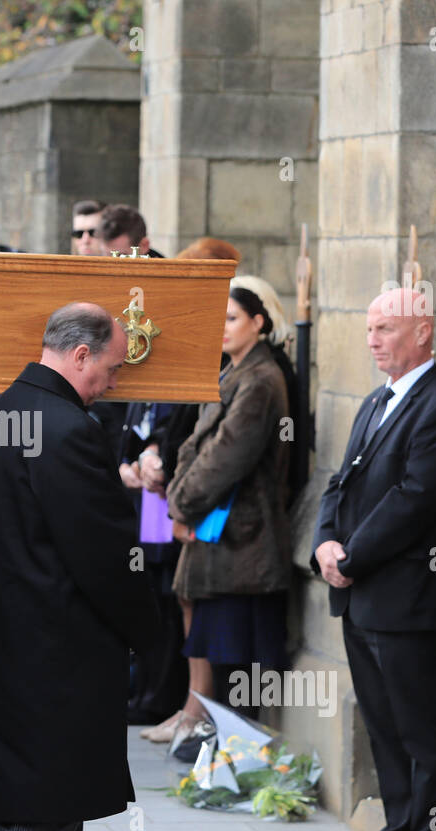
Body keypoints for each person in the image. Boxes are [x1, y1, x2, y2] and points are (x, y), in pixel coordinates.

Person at [0, 303, 160, 831]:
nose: (115, 382)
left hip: (7, 648)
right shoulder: (70, 429)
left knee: (50, 812)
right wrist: (150, 634)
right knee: (40, 817)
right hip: (56, 661)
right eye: (114, 368)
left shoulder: (2, 411)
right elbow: (105, 556)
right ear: (79, 355)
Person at [312, 287, 436, 831]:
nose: (373, 340)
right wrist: (324, 545)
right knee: (383, 726)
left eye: (385, 329)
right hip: (362, 598)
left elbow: (416, 499)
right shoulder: (376, 401)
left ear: (423, 331)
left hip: (408, 599)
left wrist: (349, 559)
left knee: (420, 732)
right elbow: (338, 484)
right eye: (369, 330)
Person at [150, 281, 296, 743]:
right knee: (211, 641)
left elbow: (226, 457)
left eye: (231, 318)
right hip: (217, 534)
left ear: (259, 323)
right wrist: (179, 497)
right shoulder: (233, 372)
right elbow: (195, 446)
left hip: (242, 539)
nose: (222, 329)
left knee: (234, 654)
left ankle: (231, 756)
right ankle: (213, 747)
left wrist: (179, 503)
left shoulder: (260, 379)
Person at [120, 239, 242, 727]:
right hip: (153, 488)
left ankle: (176, 699)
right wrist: (135, 459)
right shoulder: (174, 332)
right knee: (155, 586)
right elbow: (141, 408)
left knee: (175, 595)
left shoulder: (215, 345)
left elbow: (189, 421)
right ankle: (157, 694)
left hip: (186, 495)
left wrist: (163, 468)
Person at [98, 204, 164, 258]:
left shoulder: (165, 271)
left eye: (121, 256)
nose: (109, 265)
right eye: (105, 255)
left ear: (144, 245)